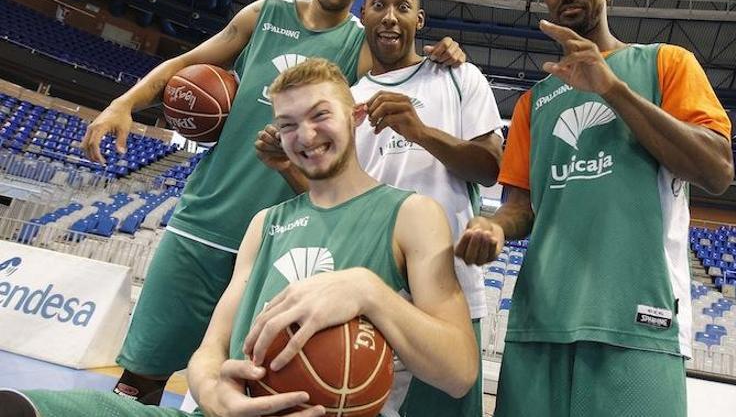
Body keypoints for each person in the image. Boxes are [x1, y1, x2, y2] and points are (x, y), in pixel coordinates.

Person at [79, 0, 465, 403]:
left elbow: (405, 57)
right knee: (141, 375)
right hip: (204, 223)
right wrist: (124, 103)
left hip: (283, 241)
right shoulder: (264, 16)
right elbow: (186, 63)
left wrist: (445, 51)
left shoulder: (361, 46)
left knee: (253, 387)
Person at [1, 58, 478, 417]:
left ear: (353, 116)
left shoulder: (413, 214)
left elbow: (459, 372)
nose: (305, 136)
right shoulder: (264, 223)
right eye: (288, 124)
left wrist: (370, 291)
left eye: (320, 115)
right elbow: (212, 347)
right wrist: (210, 387)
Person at [455, 0, 734, 417]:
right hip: (540, 324)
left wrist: (610, 87)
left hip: (639, 324)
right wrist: (495, 226)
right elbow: (520, 207)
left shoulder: (665, 62)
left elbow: (717, 169)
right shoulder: (532, 102)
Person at [260, 0, 502, 416]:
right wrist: (286, 168)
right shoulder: (346, 101)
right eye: (378, 5)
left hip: (445, 286)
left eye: (403, 7)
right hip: (365, 292)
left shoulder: (459, 77)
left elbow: (490, 168)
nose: (390, 17)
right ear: (363, 13)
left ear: (420, 19)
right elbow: (335, 197)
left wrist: (421, 133)